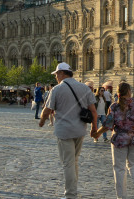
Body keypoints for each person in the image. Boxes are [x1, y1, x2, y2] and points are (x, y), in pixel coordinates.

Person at [39, 62, 98, 199]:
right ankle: (73, 190)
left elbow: (47, 110)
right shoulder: (85, 88)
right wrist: (94, 128)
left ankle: (70, 195)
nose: (56, 77)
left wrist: (42, 121)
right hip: (79, 131)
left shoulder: (57, 89)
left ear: (61, 73)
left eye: (56, 74)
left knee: (68, 163)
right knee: (74, 161)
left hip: (64, 132)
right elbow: (93, 112)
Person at [94, 82, 134, 199]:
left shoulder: (114, 106)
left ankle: (122, 196)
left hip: (119, 140)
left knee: (119, 168)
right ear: (129, 91)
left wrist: (97, 133)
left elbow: (108, 125)